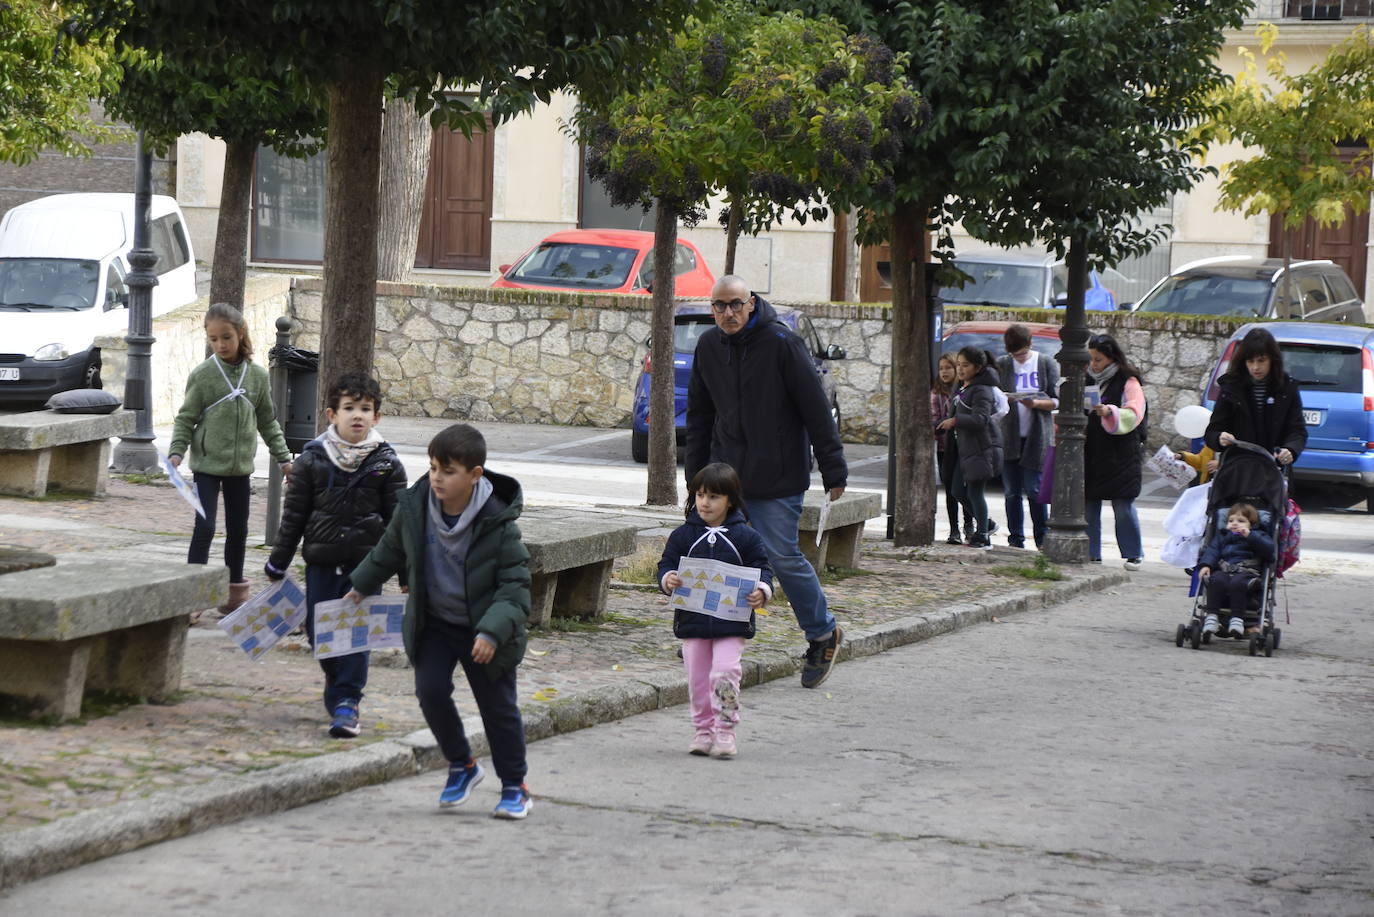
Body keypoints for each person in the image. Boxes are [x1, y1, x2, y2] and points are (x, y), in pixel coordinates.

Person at [345, 423, 533, 819]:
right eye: (433, 468)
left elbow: (515, 587)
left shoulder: (498, 523)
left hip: (484, 629)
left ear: (474, 475)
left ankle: (515, 785)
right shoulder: (416, 509)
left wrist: (491, 631)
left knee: (497, 709)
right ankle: (462, 765)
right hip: (435, 623)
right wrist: (360, 586)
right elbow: (389, 550)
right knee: (429, 692)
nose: (437, 478)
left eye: (448, 471)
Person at [685, 274, 847, 690]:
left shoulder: (781, 343)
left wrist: (834, 467)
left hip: (778, 472)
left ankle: (822, 634)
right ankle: (716, 636)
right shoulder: (707, 346)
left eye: (736, 304)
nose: (728, 313)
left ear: (751, 303)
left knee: (782, 556)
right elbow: (701, 414)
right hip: (727, 473)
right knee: (720, 556)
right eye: (720, 306)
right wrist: (695, 477)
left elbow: (815, 407)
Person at [263, 372, 407, 740]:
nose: (357, 415)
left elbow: (398, 524)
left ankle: (347, 701)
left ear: (376, 418)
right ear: (331, 414)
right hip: (322, 561)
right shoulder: (312, 460)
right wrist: (278, 560)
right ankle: (334, 677)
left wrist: (408, 574)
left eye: (365, 409)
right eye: (349, 408)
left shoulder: (385, 463)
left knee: (356, 635)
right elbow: (294, 516)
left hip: (366, 565)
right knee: (320, 630)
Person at [169, 303, 293, 613]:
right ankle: (192, 596)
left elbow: (268, 421)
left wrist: (284, 458)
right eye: (214, 339)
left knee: (238, 530)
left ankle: (233, 592)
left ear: (240, 334)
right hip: (207, 466)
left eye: (226, 337)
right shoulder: (204, 375)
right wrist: (176, 452)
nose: (221, 345)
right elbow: (186, 418)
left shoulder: (257, 377)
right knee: (206, 526)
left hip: (240, 468)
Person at [657, 462, 773, 760]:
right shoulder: (683, 535)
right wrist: (667, 579)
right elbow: (666, 563)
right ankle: (703, 731)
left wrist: (762, 591)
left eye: (713, 497)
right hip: (693, 622)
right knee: (697, 679)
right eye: (700, 495)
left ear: (730, 500)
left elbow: (762, 568)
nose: (705, 503)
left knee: (725, 673)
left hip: (732, 623)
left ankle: (725, 730)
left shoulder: (746, 537)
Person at [1083, 333, 1147, 571]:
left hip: (1121, 454)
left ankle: (1133, 553)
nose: (1093, 365)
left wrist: (1110, 411)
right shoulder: (1087, 378)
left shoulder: (1128, 381)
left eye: (1098, 360)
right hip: (1092, 451)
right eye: (1091, 359)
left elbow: (1134, 413)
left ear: (1111, 358)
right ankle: (1091, 553)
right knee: (1089, 505)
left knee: (1123, 506)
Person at [1204, 327, 1306, 468]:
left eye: (1261, 360)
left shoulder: (1287, 388)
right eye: (1250, 361)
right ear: (1243, 361)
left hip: (1272, 470)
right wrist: (1219, 438)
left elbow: (1297, 431)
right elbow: (1212, 431)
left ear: (1272, 359)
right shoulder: (1231, 387)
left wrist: (1290, 450)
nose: (1255, 367)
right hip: (1236, 469)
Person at [995, 325, 1059, 550]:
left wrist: (1036, 404)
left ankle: (1042, 538)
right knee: (1012, 492)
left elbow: (1057, 399)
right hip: (1009, 436)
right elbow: (994, 397)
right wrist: (1006, 399)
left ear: (1030, 344)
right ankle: (1016, 539)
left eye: (1021, 353)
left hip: (1036, 437)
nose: (1019, 358)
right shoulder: (1002, 364)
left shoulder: (1045, 363)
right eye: (1014, 355)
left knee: (1034, 490)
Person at [936, 346, 1003, 549]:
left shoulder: (982, 389)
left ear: (978, 367)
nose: (961, 369)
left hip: (981, 448)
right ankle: (987, 524)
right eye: (959, 365)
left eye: (965, 365)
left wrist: (955, 421)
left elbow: (981, 419)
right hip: (963, 449)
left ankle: (983, 535)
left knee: (975, 492)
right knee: (957, 490)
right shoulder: (964, 387)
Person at [1197, 502, 1275, 638]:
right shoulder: (1222, 535)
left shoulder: (1259, 535)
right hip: (1225, 570)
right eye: (1231, 520)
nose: (1234, 523)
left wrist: (1250, 536)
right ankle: (1212, 616)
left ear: (1252, 523)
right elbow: (1212, 551)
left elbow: (1269, 552)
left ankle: (1237, 619)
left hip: (1248, 572)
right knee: (1216, 580)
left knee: (1238, 583)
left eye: (1241, 521)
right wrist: (1206, 565)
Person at [932, 353, 971, 546]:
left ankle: (969, 526)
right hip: (944, 449)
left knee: (965, 488)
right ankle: (954, 529)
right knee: (950, 490)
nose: (944, 372)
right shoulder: (936, 394)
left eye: (948, 367)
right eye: (941, 368)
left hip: (963, 447)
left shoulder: (963, 392)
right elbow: (934, 421)